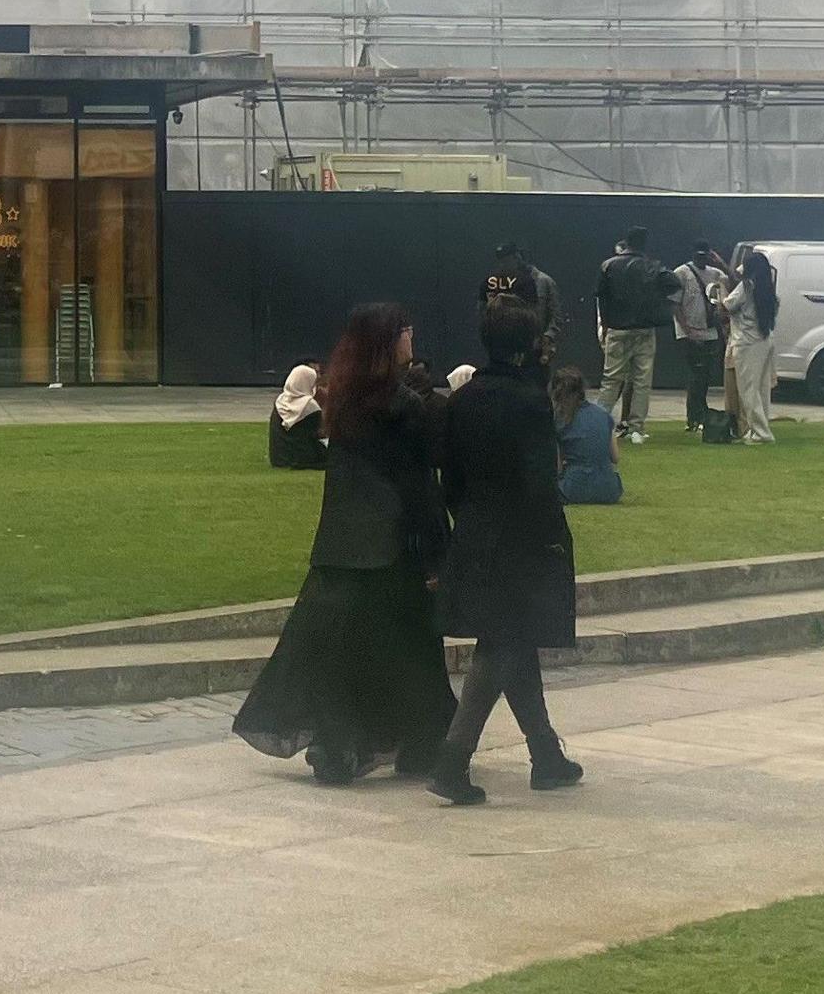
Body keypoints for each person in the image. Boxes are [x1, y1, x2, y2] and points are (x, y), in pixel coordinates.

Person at [232, 304, 457, 786]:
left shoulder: (346, 397)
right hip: (395, 543)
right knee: (409, 647)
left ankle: (339, 743)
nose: (410, 337)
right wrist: (438, 549)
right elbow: (420, 480)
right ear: (390, 341)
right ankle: (414, 741)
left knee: (338, 648)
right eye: (404, 331)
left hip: (343, 539)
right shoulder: (401, 404)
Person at [427, 302, 584, 803]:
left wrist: (469, 518)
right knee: (503, 645)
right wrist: (551, 539)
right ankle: (453, 760)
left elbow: (448, 477)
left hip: (475, 531)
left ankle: (545, 754)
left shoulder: (463, 398)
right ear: (527, 346)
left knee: (513, 641)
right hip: (523, 539)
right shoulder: (529, 402)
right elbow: (540, 480)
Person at [593, 232, 673, 446]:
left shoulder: (608, 265)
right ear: (645, 245)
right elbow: (673, 283)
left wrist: (606, 324)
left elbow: (601, 296)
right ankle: (636, 428)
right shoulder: (650, 266)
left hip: (617, 329)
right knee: (641, 381)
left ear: (626, 243)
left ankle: (598, 424)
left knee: (611, 379)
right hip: (644, 330)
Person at [722, 243, 780, 444]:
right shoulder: (768, 289)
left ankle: (761, 433)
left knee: (747, 389)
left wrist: (720, 292)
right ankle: (759, 430)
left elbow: (728, 304)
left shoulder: (746, 286)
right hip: (765, 340)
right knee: (762, 389)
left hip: (746, 342)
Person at [670, 248, 724, 437]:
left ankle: (701, 413)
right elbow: (675, 304)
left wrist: (721, 263)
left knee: (706, 376)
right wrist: (686, 330)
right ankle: (694, 417)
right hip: (690, 332)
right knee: (696, 375)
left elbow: (734, 283)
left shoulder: (715, 273)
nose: (702, 260)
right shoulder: (681, 273)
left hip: (710, 331)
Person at [552, 365, 621, 507]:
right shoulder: (603, 415)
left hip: (574, 488)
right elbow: (615, 457)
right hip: (609, 490)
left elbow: (557, 467)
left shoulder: (558, 420)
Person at [480, 241, 558, 356]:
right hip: (505, 347)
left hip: (534, 348)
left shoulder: (543, 281)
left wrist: (548, 338)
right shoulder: (499, 282)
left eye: (507, 261)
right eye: (501, 261)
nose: (503, 265)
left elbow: (555, 316)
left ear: (517, 258)